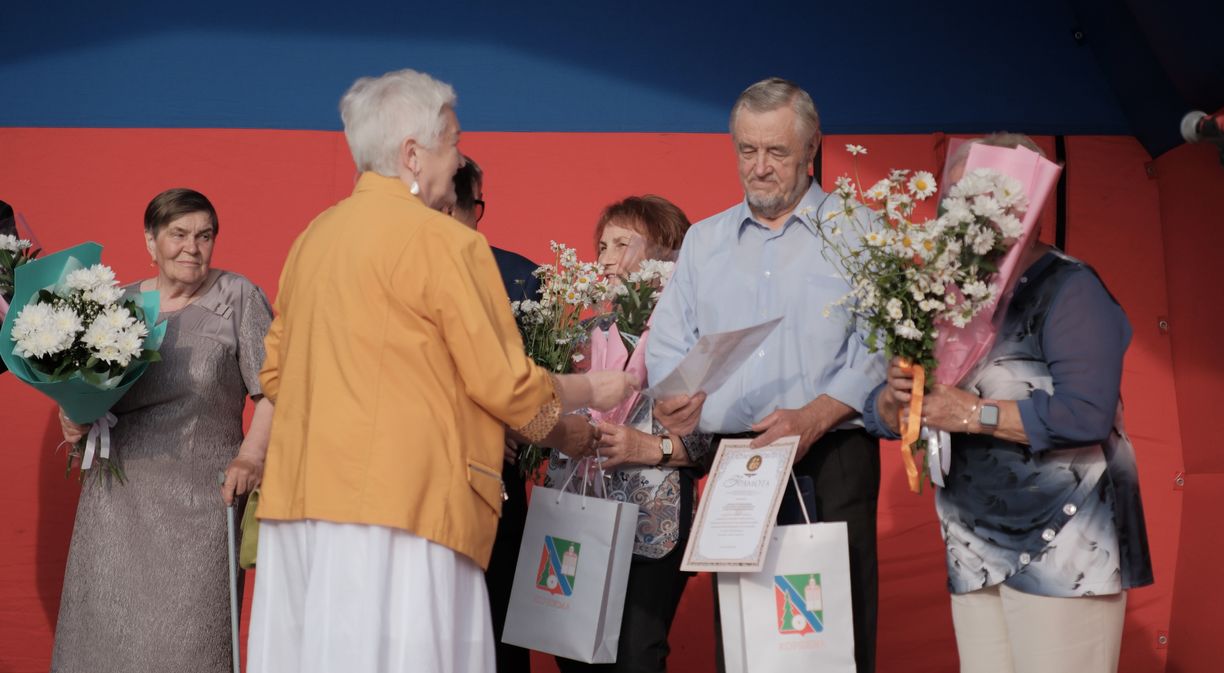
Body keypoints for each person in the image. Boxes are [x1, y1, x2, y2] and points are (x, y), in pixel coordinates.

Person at [246, 68, 634, 673]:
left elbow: (276, 376)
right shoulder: (448, 243)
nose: (457, 163)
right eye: (453, 144)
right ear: (412, 155)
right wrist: (590, 392)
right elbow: (505, 385)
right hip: (406, 509)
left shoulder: (314, 238)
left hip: (303, 503)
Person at [864, 133, 1153, 673]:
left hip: (1064, 545)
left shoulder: (1071, 288)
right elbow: (898, 407)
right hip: (973, 544)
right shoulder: (942, 293)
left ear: (1029, 205)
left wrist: (971, 414)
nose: (961, 213)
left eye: (982, 196)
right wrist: (893, 402)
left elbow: (1086, 415)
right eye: (954, 197)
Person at [646, 77, 886, 673]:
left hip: (831, 454)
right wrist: (672, 399)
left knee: (834, 642)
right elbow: (668, 346)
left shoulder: (860, 232)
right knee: (748, 644)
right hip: (737, 463)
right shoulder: (704, 241)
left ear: (812, 148)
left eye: (776, 151)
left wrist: (817, 415)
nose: (759, 167)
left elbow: (882, 346)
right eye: (746, 150)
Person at [53, 187, 273, 673]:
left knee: (189, 644)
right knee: (104, 638)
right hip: (115, 503)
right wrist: (72, 415)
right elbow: (87, 394)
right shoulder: (117, 306)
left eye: (204, 235)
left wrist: (253, 456)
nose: (192, 247)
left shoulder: (238, 297)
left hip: (202, 505)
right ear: (150, 241)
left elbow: (274, 390)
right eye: (179, 234)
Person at [548, 195, 715, 673]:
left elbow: (710, 439)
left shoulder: (690, 337)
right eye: (602, 246)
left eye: (622, 244)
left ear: (666, 255)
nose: (605, 258)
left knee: (636, 656)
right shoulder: (577, 335)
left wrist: (646, 446)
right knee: (572, 656)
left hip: (651, 521)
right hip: (578, 515)